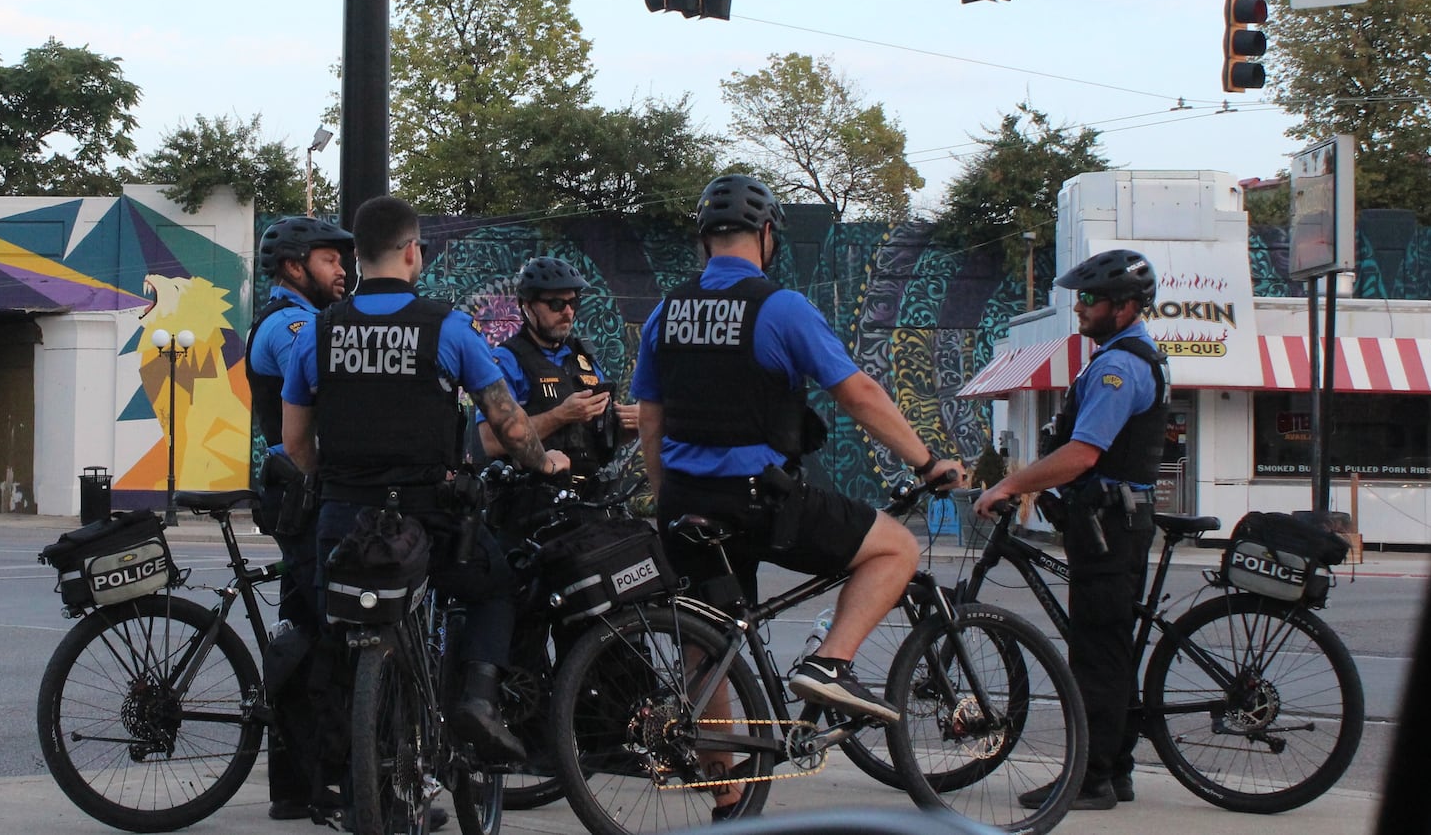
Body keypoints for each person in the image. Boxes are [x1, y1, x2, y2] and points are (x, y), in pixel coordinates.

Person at [632, 173, 966, 734]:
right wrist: (927, 462)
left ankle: (726, 797)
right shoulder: (780, 308)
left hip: (685, 506)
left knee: (706, 653)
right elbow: (858, 393)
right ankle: (829, 663)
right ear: (766, 234)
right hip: (759, 502)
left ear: (704, 239)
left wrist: (666, 497)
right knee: (895, 549)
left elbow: (649, 418)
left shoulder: (665, 313)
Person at [281, 195, 570, 768]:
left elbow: (294, 443)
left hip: (345, 521)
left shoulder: (318, 332)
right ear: (413, 251)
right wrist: (545, 462)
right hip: (430, 517)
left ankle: (348, 771)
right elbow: (508, 422)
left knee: (339, 635)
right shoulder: (449, 328)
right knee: (494, 587)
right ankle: (478, 701)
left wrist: (337, 480)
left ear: (358, 257)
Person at [972, 248, 1170, 812]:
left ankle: (1091, 780)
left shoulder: (1118, 367)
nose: (1079, 308)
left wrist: (1009, 486)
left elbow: (1083, 455)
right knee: (1109, 649)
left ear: (1126, 306)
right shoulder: (1122, 353)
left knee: (1096, 654)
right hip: (1108, 522)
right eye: (1077, 298)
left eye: (1090, 299)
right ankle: (1118, 768)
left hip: (1109, 525)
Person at [245, 216, 351, 822]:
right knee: (325, 634)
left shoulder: (302, 320)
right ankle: (324, 783)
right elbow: (329, 396)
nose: (343, 271)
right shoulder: (295, 326)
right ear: (293, 266)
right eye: (330, 260)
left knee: (304, 631)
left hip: (300, 497)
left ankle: (295, 784)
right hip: (305, 497)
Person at [476, 255, 640, 498]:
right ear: (527, 306)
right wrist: (559, 415)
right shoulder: (507, 361)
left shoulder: (583, 358)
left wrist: (629, 428)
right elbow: (492, 441)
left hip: (589, 497)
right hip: (533, 499)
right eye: (555, 304)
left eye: (574, 303)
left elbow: (595, 437)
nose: (567, 312)